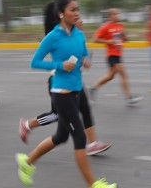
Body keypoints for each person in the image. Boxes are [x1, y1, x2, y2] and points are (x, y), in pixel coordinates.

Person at [15, 0, 117, 188]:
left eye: (77, 9)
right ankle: (93, 185)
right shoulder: (53, 37)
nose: (77, 13)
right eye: (72, 9)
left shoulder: (79, 34)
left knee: (60, 137)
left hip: (76, 91)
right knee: (79, 137)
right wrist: (59, 65)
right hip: (61, 94)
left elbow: (84, 53)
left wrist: (86, 60)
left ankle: (27, 163)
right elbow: (35, 62)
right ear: (61, 13)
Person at [19, 19, 112, 156]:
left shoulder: (79, 37)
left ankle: (93, 144)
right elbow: (38, 62)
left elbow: (85, 58)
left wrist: (87, 60)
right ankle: (28, 125)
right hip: (58, 82)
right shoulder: (59, 37)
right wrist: (61, 65)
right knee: (56, 116)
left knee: (85, 110)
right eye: (77, 20)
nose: (80, 22)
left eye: (80, 19)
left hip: (75, 83)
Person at [89, 8, 143, 105]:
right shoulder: (106, 27)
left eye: (118, 14)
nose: (118, 16)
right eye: (115, 14)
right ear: (110, 16)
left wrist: (124, 35)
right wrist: (108, 41)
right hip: (112, 55)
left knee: (110, 76)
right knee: (123, 74)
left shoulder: (120, 26)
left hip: (118, 54)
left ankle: (93, 88)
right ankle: (129, 97)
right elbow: (95, 39)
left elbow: (126, 40)